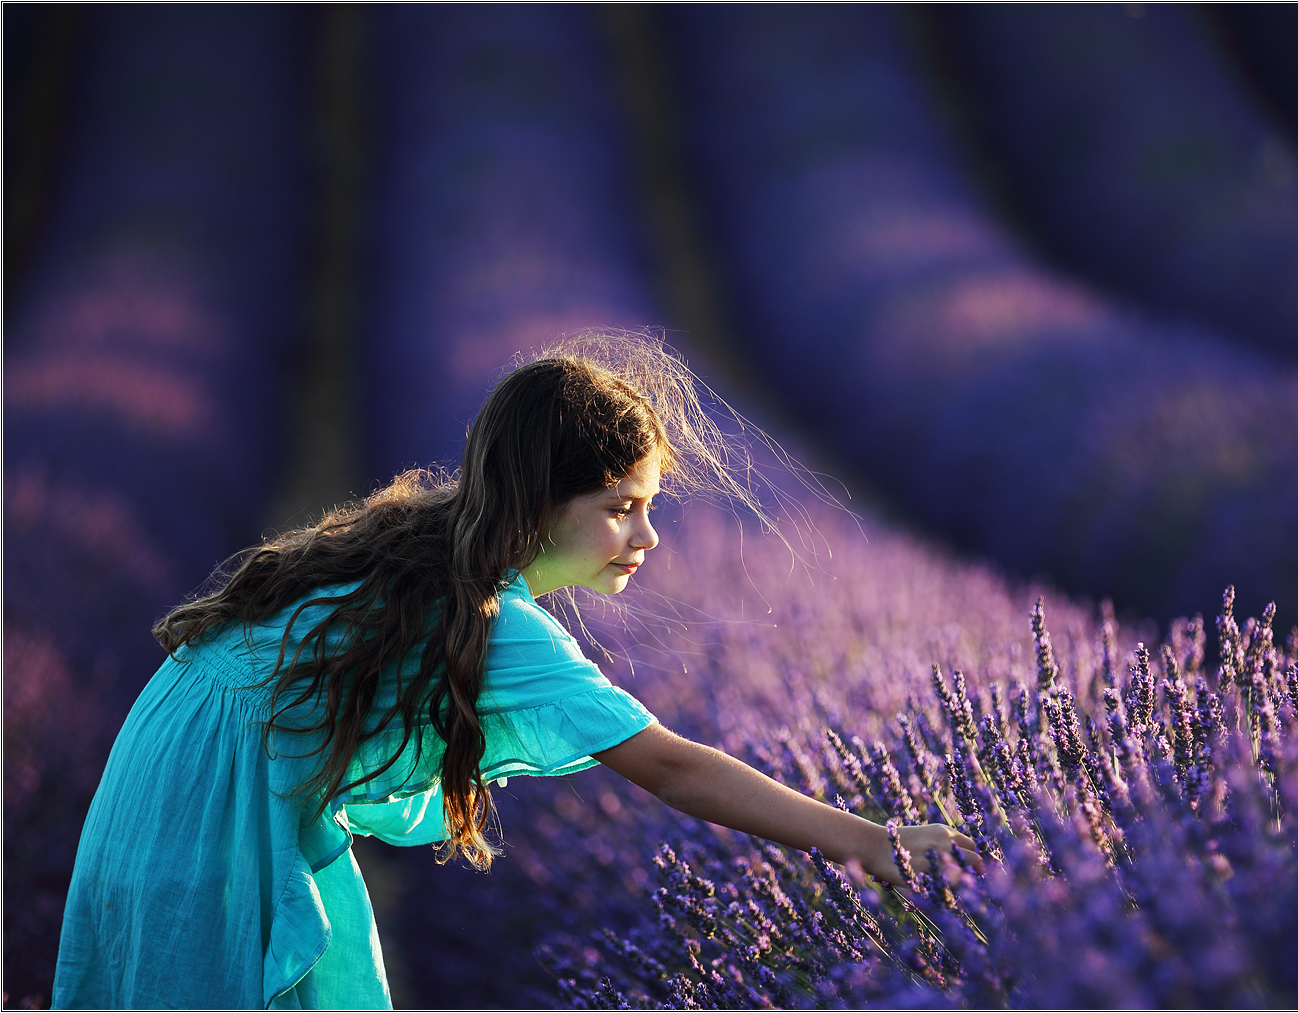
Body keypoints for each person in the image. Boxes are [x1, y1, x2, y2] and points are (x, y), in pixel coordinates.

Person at [51, 335, 978, 1010]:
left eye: (648, 506)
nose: (646, 536)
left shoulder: (430, 548)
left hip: (171, 764)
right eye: (621, 508)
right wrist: (863, 838)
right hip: (217, 808)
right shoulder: (494, 620)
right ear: (540, 503)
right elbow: (670, 765)